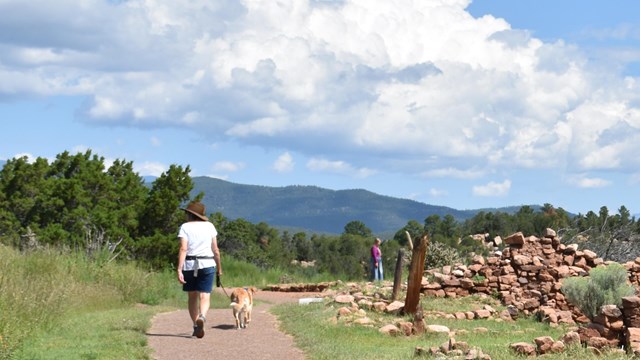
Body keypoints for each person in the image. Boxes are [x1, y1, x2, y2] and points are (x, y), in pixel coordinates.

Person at [176, 201, 222, 339]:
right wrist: (219, 267)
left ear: (190, 214)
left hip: (190, 264)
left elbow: (183, 248)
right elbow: (216, 250)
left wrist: (179, 269)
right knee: (205, 295)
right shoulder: (210, 226)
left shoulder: (184, 227)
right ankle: (202, 316)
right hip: (207, 263)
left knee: (192, 296)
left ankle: (196, 325)